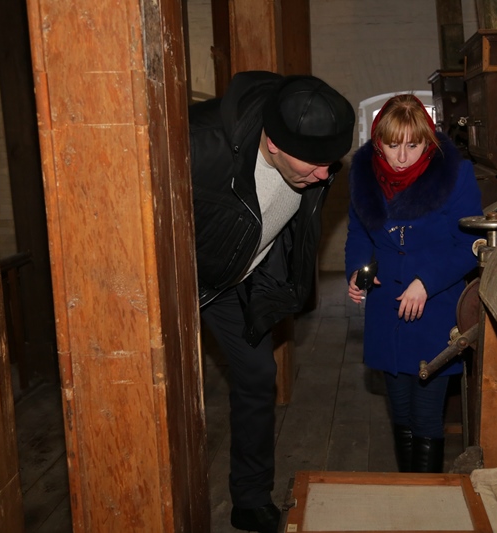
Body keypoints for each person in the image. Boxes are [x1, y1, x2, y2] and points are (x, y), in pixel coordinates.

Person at [189, 71, 355, 533]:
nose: (324, 176)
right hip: (173, 281)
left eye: (331, 163)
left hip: (233, 282)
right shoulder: (197, 144)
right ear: (274, 142)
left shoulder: (310, 151)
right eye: (315, 165)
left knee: (259, 375)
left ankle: (249, 497)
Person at [345, 94, 482, 473]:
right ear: (378, 143)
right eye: (393, 146)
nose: (402, 157)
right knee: (400, 412)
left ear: (429, 141)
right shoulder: (364, 178)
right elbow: (359, 232)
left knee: (425, 416)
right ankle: (409, 492)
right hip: (386, 306)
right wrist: (357, 270)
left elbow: (471, 243)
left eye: (413, 145)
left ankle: (427, 498)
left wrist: (427, 281)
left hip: (435, 307)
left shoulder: (455, 176)